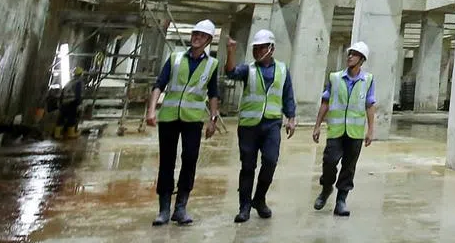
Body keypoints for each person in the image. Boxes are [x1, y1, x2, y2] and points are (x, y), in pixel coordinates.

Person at [146, 19, 221, 226]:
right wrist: (152, 110)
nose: (196, 37)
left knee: (189, 160)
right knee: (167, 161)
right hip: (169, 116)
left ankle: (180, 207)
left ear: (208, 40)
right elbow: (159, 84)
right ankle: (163, 209)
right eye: (195, 33)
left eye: (201, 35)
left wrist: (213, 120)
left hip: (193, 119)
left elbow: (214, 94)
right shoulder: (175, 58)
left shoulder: (212, 64)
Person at [224, 29, 296, 223]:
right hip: (249, 125)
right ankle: (244, 207)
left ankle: (259, 199)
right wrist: (230, 52)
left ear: (271, 49)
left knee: (271, 161)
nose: (257, 51)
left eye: (261, 47)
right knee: (248, 166)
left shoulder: (282, 69)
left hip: (272, 123)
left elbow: (287, 94)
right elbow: (230, 72)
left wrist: (291, 117)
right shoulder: (249, 69)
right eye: (255, 48)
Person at [311, 41, 375, 217]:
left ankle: (341, 200)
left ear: (361, 59)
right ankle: (326, 189)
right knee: (329, 162)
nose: (350, 56)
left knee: (349, 167)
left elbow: (370, 105)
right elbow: (325, 102)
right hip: (336, 130)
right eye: (349, 53)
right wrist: (317, 126)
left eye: (354, 54)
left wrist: (370, 130)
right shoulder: (335, 77)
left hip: (355, 133)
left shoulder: (367, 80)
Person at [56, 67, 85, 139]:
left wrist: (60, 102)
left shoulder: (69, 82)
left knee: (61, 118)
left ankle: (57, 134)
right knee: (72, 117)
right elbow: (78, 94)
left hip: (64, 102)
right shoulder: (79, 83)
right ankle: (70, 133)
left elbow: (62, 92)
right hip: (72, 102)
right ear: (81, 74)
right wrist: (79, 104)